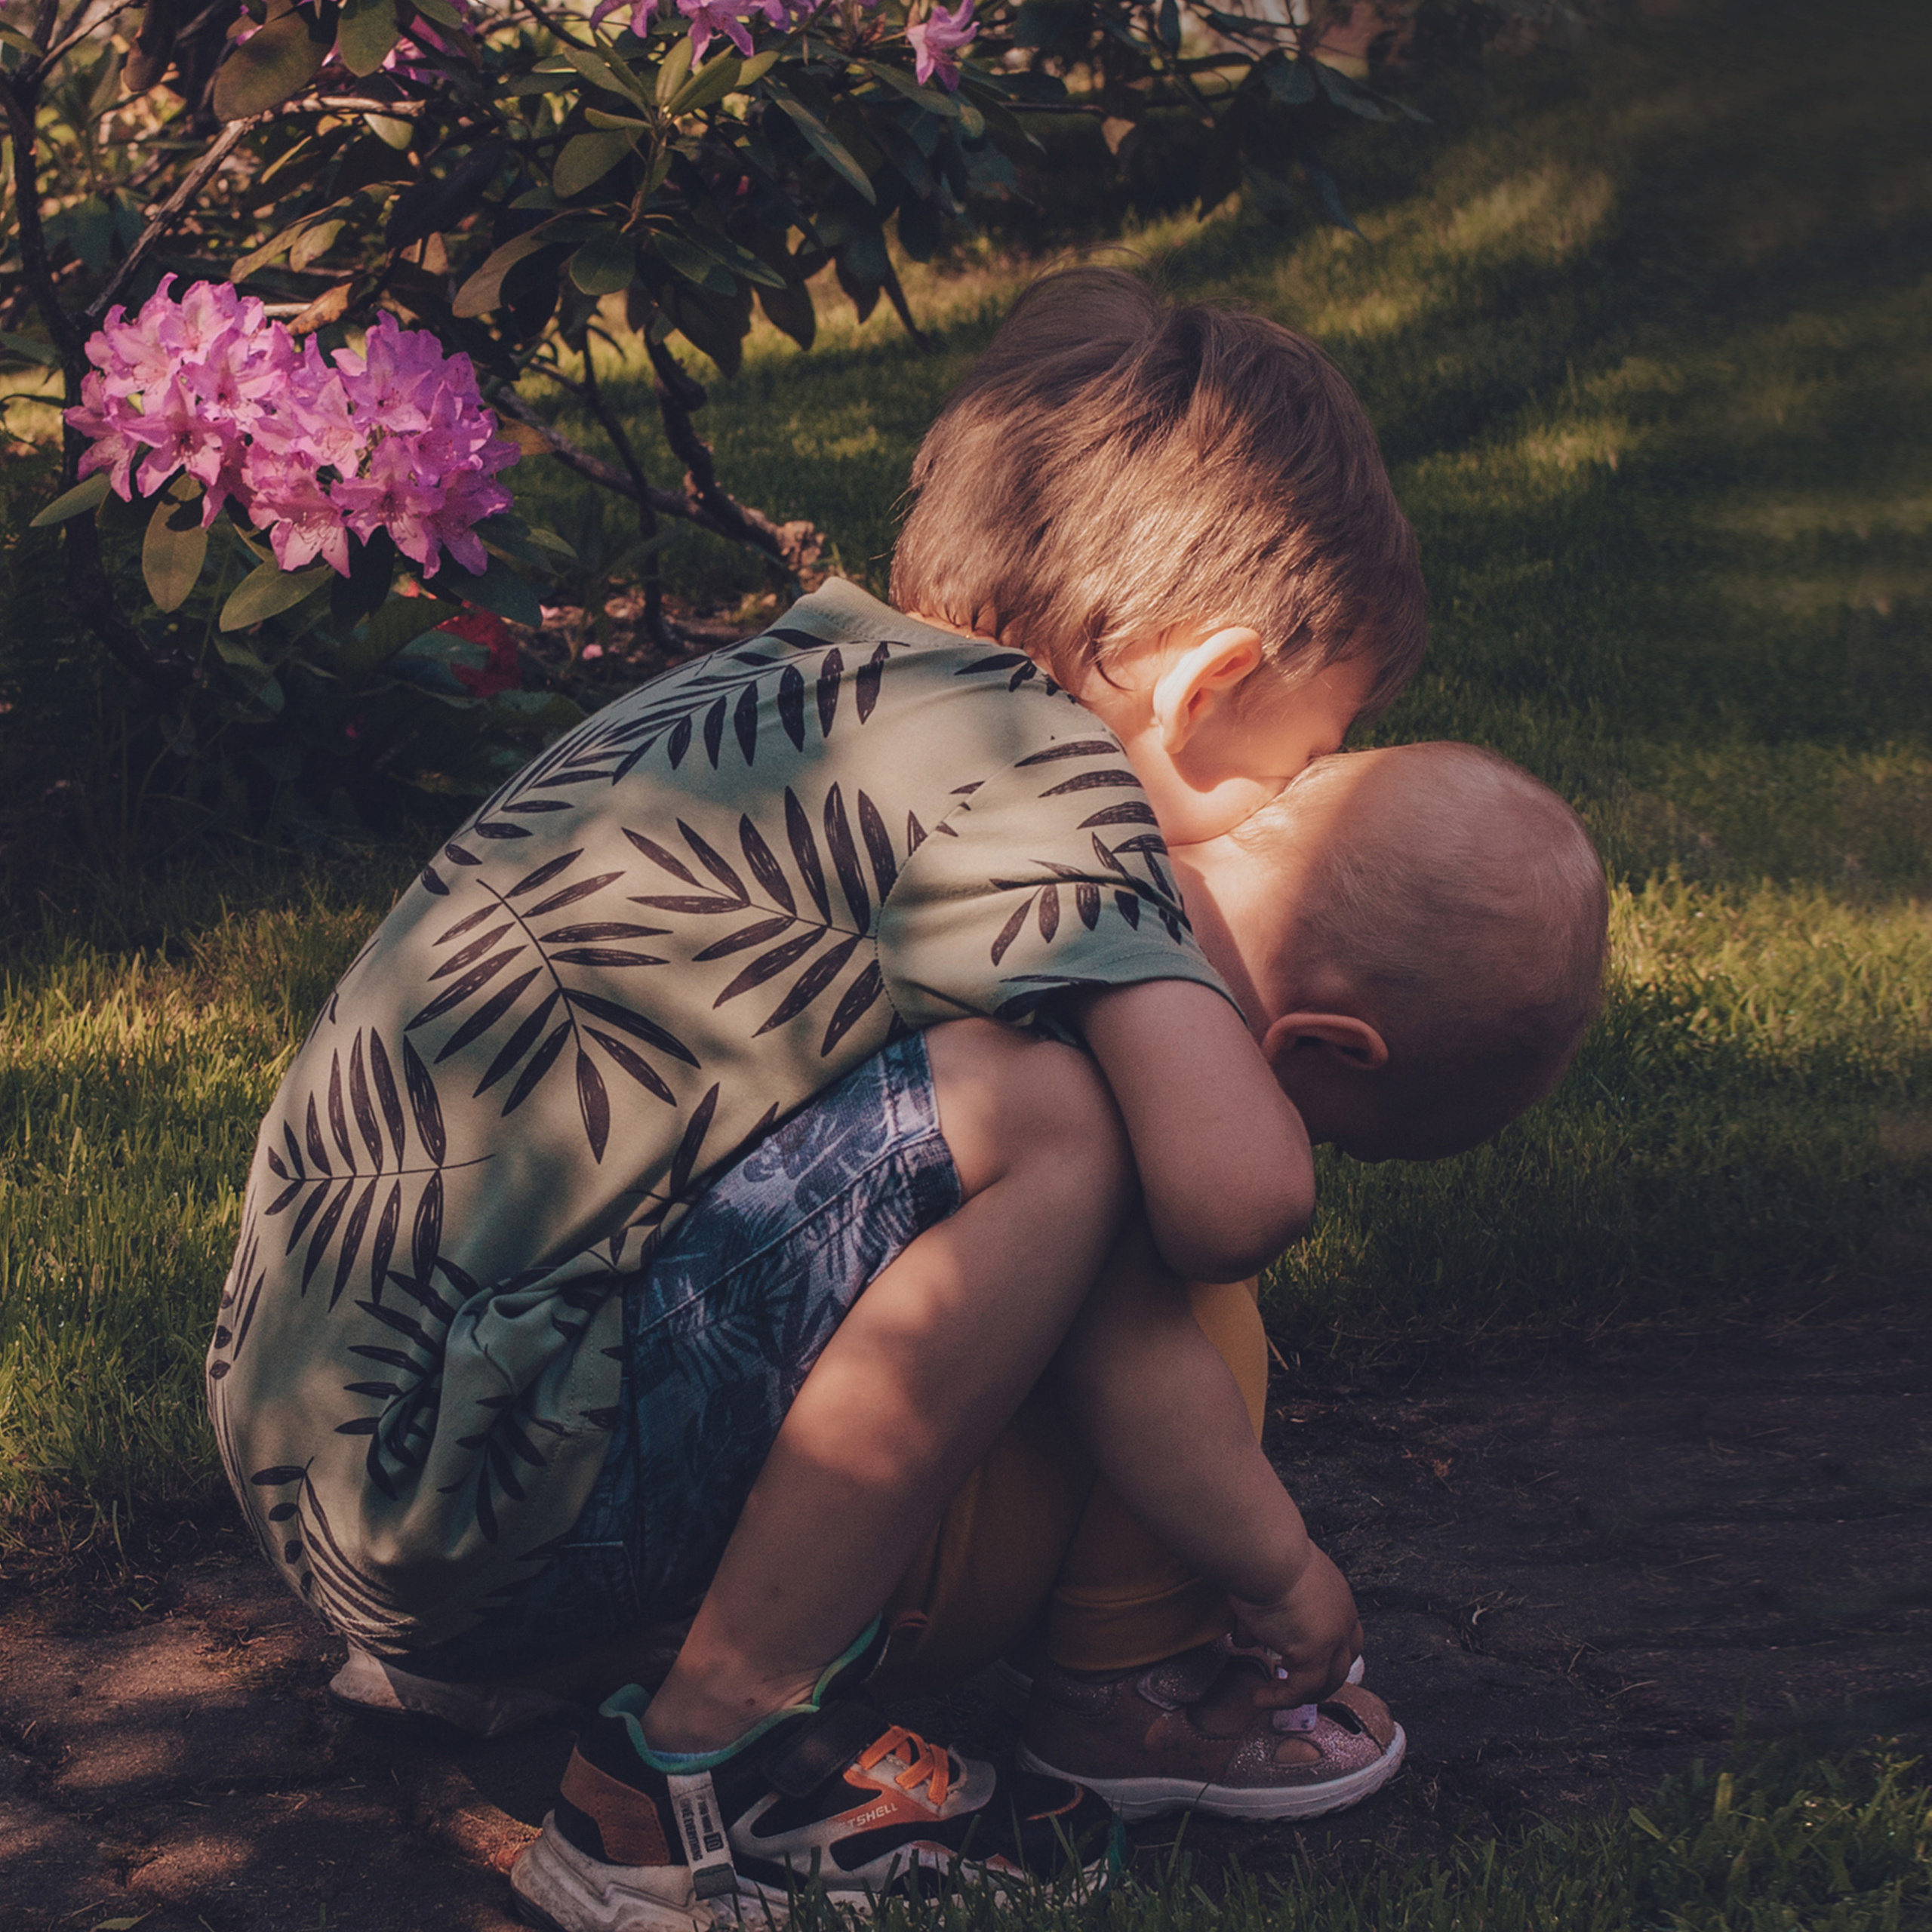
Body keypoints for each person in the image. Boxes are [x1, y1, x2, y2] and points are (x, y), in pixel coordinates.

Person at [210, 267, 1438, 1916]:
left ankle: (533, 1655)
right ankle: (695, 1767)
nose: (1260, 822)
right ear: (1200, 684)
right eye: (1290, 764)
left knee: (970, 1104)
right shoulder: (1045, 765)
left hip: (342, 1459)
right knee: (1054, 1125)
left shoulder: (805, 692)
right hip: (474, 1497)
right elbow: (1238, 1191)